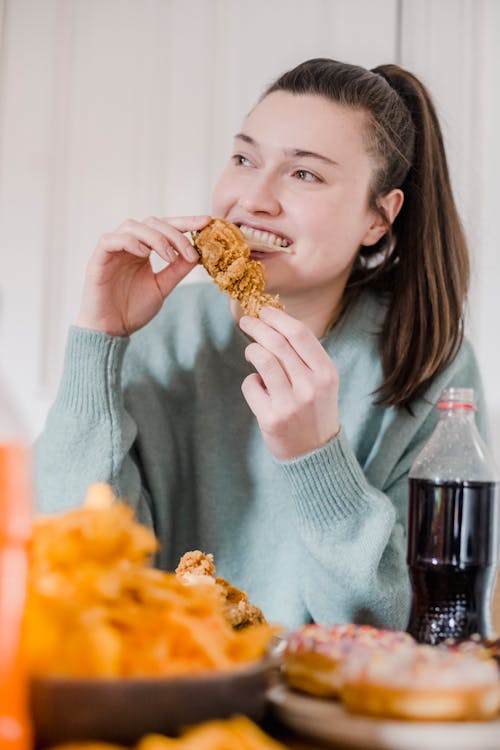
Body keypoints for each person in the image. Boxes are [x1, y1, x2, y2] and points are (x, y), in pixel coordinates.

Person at [35, 58, 487, 630]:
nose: (255, 199)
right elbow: (74, 575)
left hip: (325, 711)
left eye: (305, 174)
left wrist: (315, 455)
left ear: (379, 216)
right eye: (245, 158)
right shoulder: (159, 330)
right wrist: (97, 342)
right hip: (159, 693)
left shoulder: (428, 362)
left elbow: (398, 629)